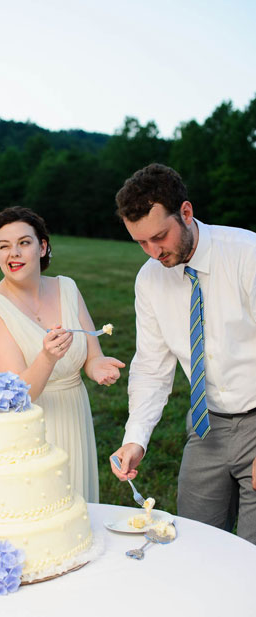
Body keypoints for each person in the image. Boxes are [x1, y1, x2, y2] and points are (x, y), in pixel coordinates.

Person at [109, 163, 256, 543]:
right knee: (194, 542)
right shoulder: (150, 279)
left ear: (186, 213)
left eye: (159, 236)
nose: (152, 251)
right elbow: (152, 367)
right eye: (140, 242)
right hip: (207, 425)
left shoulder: (246, 254)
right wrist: (135, 438)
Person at [0, 206, 125, 502]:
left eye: (24, 243)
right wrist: (46, 357)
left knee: (79, 512)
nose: (13, 253)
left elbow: (92, 356)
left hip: (74, 415)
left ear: (42, 247)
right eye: (3, 247)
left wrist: (99, 367)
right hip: (32, 431)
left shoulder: (67, 288)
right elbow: (17, 396)